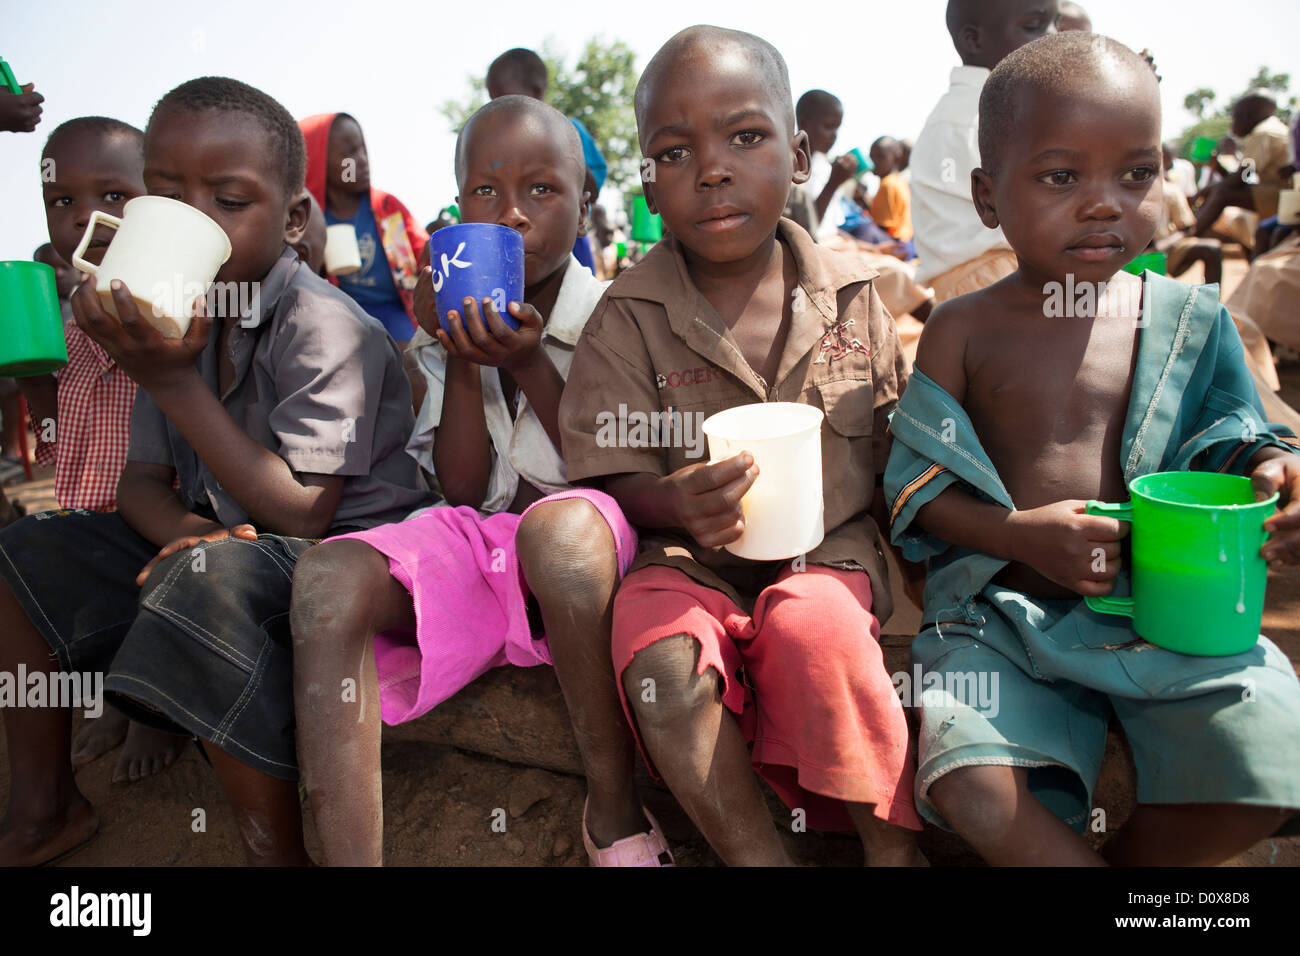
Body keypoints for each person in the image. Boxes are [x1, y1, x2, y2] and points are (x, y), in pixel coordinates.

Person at [885, 32, 1300, 866]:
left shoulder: (1192, 318)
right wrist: (1015, 535)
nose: (1105, 202)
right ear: (986, 196)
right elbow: (915, 488)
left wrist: (1272, 473)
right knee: (968, 784)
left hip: (1172, 612)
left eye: (1136, 173)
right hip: (999, 619)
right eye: (1061, 176)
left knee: (1270, 763)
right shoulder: (962, 331)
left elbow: (1242, 438)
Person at [0, 76, 432, 867]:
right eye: (166, 195)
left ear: (294, 218)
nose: (194, 220)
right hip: (231, 546)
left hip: (344, 561)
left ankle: (277, 853)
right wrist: (195, 532)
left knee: (203, 579)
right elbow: (138, 483)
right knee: (30, 549)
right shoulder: (181, 312)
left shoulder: (324, 325)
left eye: (228, 200)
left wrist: (170, 379)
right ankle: (43, 805)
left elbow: (303, 513)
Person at [559, 25, 925, 867]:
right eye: (675, 152)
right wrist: (670, 499)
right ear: (649, 181)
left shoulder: (857, 297)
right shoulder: (628, 314)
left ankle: (893, 852)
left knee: (817, 634)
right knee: (657, 662)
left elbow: (899, 455)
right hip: (683, 555)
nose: (712, 169)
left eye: (746, 137)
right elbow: (609, 473)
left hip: (830, 549)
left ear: (798, 156)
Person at [290, 94, 664, 867]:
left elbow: (599, 465)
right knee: (328, 577)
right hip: (482, 539)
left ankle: (616, 812)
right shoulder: (448, 329)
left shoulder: (614, 316)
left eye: (541, 189)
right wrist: (460, 353)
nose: (513, 215)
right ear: (457, 207)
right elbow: (461, 490)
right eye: (486, 192)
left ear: (585, 200)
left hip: (583, 538)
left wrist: (528, 362)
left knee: (556, 535)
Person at [21, 120, 190, 784]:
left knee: (157, 591)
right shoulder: (61, 321)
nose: (85, 217)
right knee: (86, 599)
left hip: (157, 502)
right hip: (85, 498)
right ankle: (114, 700)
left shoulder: (172, 307)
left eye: (114, 196)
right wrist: (33, 377)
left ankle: (152, 709)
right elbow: (54, 425)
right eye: (62, 202)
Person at [910, 0, 1059, 302]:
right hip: (990, 278)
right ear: (974, 39)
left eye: (1057, 23)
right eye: (1034, 26)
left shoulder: (982, 109)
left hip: (993, 272)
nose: (1053, 36)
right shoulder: (975, 118)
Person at [298, 112, 427, 343]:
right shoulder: (310, 220)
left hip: (396, 310)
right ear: (319, 164)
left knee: (409, 357)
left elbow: (425, 252)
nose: (362, 159)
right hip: (342, 314)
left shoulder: (387, 207)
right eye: (349, 154)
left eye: (362, 149)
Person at [486, 47, 607, 275]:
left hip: (569, 247)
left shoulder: (567, 132)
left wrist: (564, 153)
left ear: (536, 92)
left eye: (506, 99)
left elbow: (594, 188)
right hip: (510, 248)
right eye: (493, 101)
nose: (499, 111)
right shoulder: (496, 144)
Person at [1194, 92, 1295, 250]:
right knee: (1230, 205)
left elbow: (1237, 181)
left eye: (1235, 118)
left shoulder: (1262, 132)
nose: (1233, 124)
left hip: (1283, 196)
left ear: (1248, 115)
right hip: (1278, 193)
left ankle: (1190, 233)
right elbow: (1240, 179)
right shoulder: (1272, 127)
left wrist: (1202, 192)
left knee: (1223, 195)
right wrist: (1218, 167)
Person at [868, 136, 916, 257]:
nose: (875, 162)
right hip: (908, 243)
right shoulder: (900, 181)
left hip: (895, 245)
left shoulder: (887, 184)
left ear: (896, 158)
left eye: (880, 157)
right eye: (872, 157)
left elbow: (882, 226)